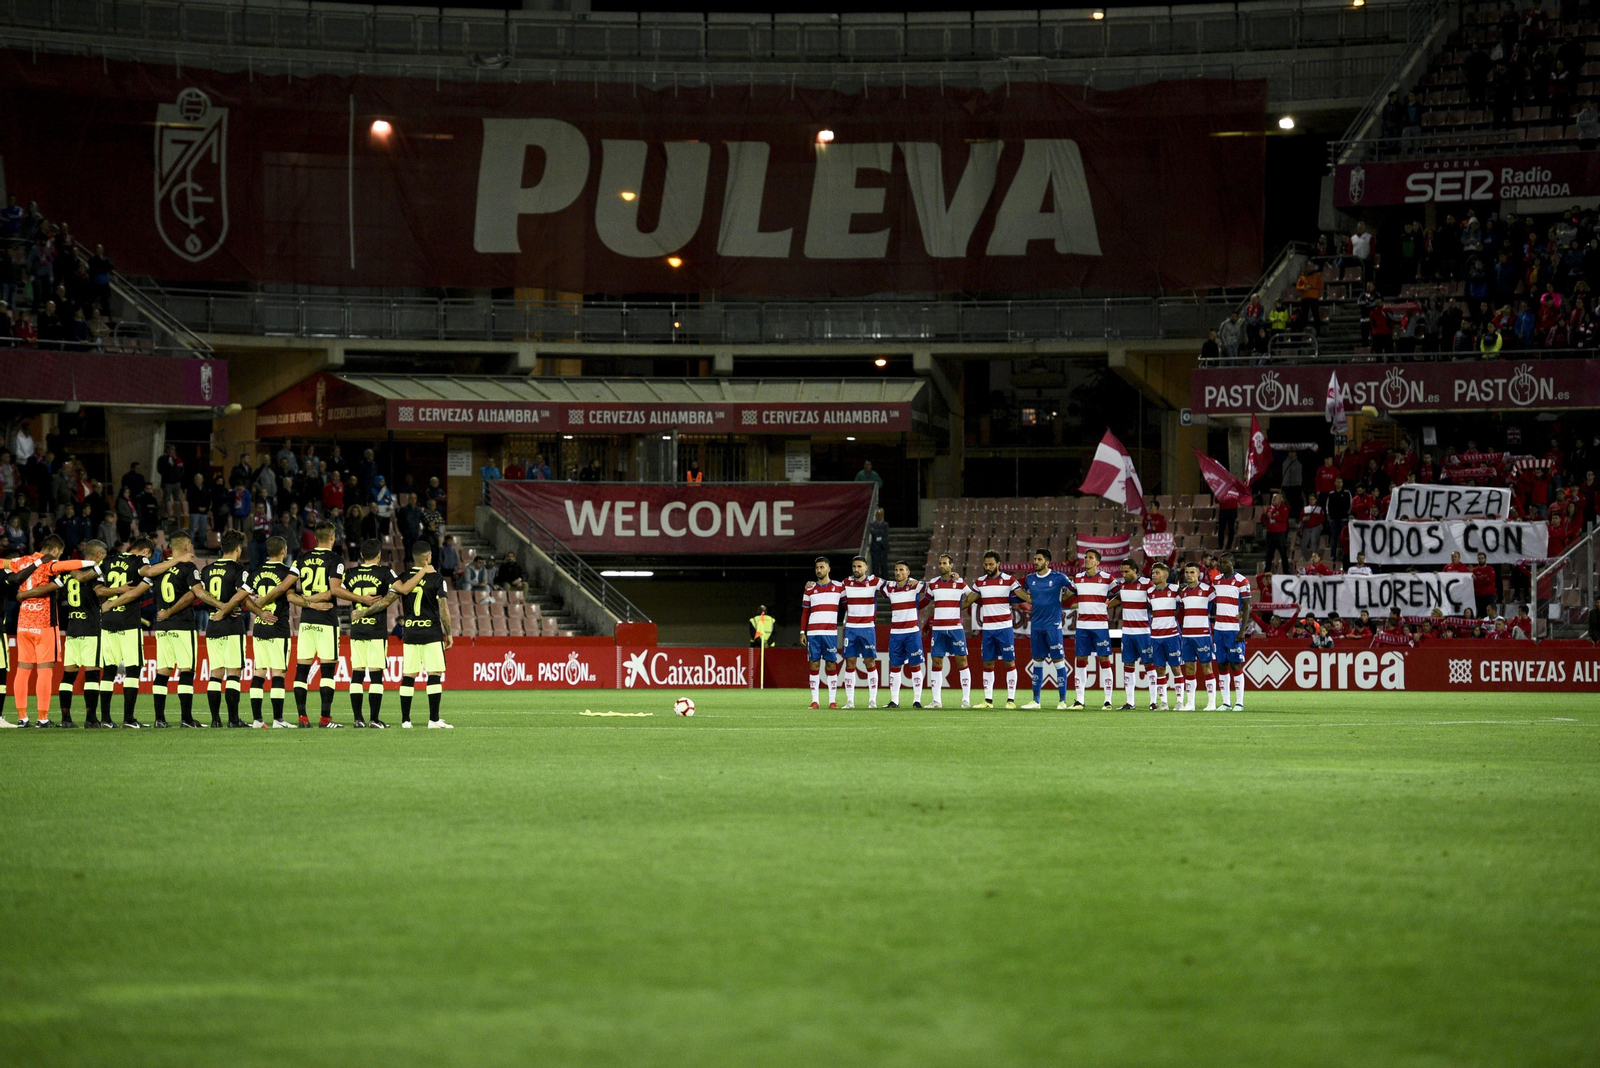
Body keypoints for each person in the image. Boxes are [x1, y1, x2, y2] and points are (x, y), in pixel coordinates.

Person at [355, 544, 448, 728]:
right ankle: (434, 720)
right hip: (431, 632)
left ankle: (406, 720)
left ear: (414, 558)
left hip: (411, 633)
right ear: (428, 558)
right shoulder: (437, 578)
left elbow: (385, 602)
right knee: (434, 674)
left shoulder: (403, 579)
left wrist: (362, 613)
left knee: (408, 676)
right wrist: (450, 633)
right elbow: (443, 608)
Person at [293, 521, 371, 727]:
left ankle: (302, 717)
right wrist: (361, 599)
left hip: (306, 621)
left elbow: (289, 592)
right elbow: (335, 589)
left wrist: (309, 602)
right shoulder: (335, 559)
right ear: (333, 537)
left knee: (301, 670)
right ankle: (325, 718)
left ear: (316, 538)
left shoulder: (301, 559)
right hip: (326, 621)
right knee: (327, 671)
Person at [345, 538, 428, 728]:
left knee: (357, 674)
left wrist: (357, 601)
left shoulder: (350, 573)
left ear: (361, 555)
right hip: (376, 629)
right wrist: (423, 570)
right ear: (379, 555)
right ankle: (374, 719)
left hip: (357, 629)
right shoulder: (384, 571)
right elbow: (405, 589)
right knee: (375, 675)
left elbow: (336, 591)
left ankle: (358, 719)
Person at [196, 530, 270, 728]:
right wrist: (225, 609)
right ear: (238, 548)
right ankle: (233, 720)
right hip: (231, 624)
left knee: (215, 673)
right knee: (233, 673)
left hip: (212, 625)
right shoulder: (239, 570)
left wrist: (217, 609)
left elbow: (201, 594)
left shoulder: (207, 569)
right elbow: (240, 597)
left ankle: (215, 720)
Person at [247, 536, 323, 727]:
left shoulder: (256, 572)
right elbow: (290, 597)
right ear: (283, 551)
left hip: (259, 627)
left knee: (259, 672)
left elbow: (245, 599)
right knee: (278, 673)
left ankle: (257, 719)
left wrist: (259, 612)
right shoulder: (286, 572)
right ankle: (278, 719)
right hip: (278, 628)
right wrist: (311, 603)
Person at [45, 541, 110, 727]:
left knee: (68, 676)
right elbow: (99, 592)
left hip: (72, 629)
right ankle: (90, 718)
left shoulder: (68, 572)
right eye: (103, 556)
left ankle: (66, 719)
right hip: (90, 629)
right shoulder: (95, 573)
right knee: (92, 675)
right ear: (98, 555)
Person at [139, 532, 201, 727]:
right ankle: (186, 719)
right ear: (185, 547)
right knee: (186, 670)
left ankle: (159, 719)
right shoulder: (187, 567)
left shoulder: (159, 569)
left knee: (163, 671)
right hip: (182, 624)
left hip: (162, 627)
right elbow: (193, 595)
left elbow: (145, 574)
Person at [967, 550, 1023, 709]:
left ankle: (1011, 700)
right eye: (985, 564)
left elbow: (1021, 595)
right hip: (988, 629)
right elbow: (969, 599)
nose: (988, 567)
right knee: (988, 663)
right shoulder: (979, 582)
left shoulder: (1009, 580)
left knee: (1009, 662)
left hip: (1004, 628)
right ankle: (988, 700)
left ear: (998, 564)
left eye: (991, 564)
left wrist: (1036, 600)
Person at [1020, 548, 1072, 710]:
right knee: (1037, 662)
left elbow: (1074, 588)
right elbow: (1023, 593)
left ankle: (1062, 701)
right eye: (1035, 559)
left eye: (1039, 559)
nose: (1036, 562)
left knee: (1058, 662)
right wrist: (1030, 599)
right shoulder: (1030, 579)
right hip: (1036, 626)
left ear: (1047, 562)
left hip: (1053, 627)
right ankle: (1036, 700)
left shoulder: (1058, 577)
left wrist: (1062, 599)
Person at [1067, 549, 1116, 711]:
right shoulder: (1078, 579)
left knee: (1104, 660)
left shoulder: (1107, 579)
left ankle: (1108, 701)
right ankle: (1080, 700)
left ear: (1097, 562)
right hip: (1082, 627)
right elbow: (1068, 595)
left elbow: (1120, 594)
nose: (1086, 560)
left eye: (1090, 558)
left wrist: (1109, 604)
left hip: (1100, 626)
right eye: (1085, 558)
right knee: (1081, 660)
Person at [921, 553, 971, 709]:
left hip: (956, 628)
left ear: (951, 566)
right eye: (940, 563)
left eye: (945, 563)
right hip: (938, 629)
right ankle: (936, 701)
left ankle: (966, 699)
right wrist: (909, 606)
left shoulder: (960, 583)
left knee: (962, 661)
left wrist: (960, 606)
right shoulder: (934, 584)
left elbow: (973, 596)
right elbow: (925, 601)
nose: (941, 566)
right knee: (936, 661)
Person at [800, 556, 846, 709]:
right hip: (813, 633)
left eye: (822, 567)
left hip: (830, 633)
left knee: (831, 665)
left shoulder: (839, 587)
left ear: (828, 569)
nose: (819, 570)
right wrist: (802, 632)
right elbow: (805, 612)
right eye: (817, 568)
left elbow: (848, 606)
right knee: (814, 664)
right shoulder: (809, 589)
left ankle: (832, 701)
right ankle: (815, 701)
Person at [838, 556, 883, 709]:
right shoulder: (846, 583)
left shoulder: (874, 581)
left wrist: (913, 582)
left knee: (869, 662)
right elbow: (841, 599)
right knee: (850, 662)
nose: (856, 569)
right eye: (854, 567)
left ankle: (872, 700)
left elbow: (894, 585)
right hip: (850, 628)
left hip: (868, 628)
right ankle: (850, 701)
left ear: (866, 567)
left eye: (859, 566)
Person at [1109, 559, 1153, 711]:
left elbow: (1156, 601)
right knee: (1128, 665)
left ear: (1135, 570)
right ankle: (1130, 702)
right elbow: (1120, 598)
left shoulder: (1147, 584)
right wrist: (1104, 606)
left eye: (1127, 571)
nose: (1124, 574)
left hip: (1143, 632)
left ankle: (1153, 702)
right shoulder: (1122, 585)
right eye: (1122, 571)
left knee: (1149, 665)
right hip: (1127, 632)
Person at [881, 563, 926, 708]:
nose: (898, 572)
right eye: (896, 570)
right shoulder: (890, 587)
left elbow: (933, 586)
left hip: (912, 632)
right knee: (895, 666)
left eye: (901, 570)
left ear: (908, 572)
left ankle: (917, 700)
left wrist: (920, 582)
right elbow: (876, 585)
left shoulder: (915, 585)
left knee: (915, 665)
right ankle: (894, 700)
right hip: (895, 633)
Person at [1211, 553, 1252, 711]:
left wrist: (1243, 629)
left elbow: (1247, 605)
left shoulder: (1242, 581)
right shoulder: (1217, 581)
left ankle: (1239, 702)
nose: (1222, 565)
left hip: (1233, 629)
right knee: (1222, 665)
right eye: (1221, 562)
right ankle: (1226, 702)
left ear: (1233, 563)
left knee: (1235, 664)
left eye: (1226, 562)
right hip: (1219, 629)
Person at [1176, 563, 1217, 711]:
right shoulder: (1182, 593)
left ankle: (1211, 702)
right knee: (1189, 668)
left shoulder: (1208, 590)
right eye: (1186, 572)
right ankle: (1190, 703)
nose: (1189, 575)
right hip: (1187, 635)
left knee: (1207, 667)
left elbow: (1217, 605)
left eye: (1192, 572)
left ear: (1198, 574)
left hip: (1203, 635)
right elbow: (1180, 613)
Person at [1145, 563, 1184, 710]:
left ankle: (1180, 701)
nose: (1153, 575)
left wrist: (1178, 620)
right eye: (1153, 572)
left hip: (1172, 635)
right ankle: (1164, 702)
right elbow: (1150, 610)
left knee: (1176, 668)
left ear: (1166, 575)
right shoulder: (1149, 592)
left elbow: (1183, 606)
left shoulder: (1175, 590)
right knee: (1160, 669)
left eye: (1157, 573)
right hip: (1155, 637)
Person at [1260, 490, 1291, 573]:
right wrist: (1264, 514)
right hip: (1270, 533)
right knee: (1269, 554)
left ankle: (1286, 571)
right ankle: (1267, 572)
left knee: (1283, 553)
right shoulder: (1269, 508)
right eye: (1273, 497)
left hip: (1280, 533)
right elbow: (1262, 520)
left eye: (1275, 497)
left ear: (1280, 499)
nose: (1273, 499)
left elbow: (1283, 519)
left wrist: (1273, 517)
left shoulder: (1283, 508)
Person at [867, 507, 890, 579]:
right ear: (876, 515)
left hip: (883, 547)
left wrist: (877, 532)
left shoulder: (886, 524)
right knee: (875, 565)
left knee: (884, 565)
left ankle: (885, 579)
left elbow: (886, 533)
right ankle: (875, 580)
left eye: (881, 514)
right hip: (875, 547)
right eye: (878, 514)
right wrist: (880, 532)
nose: (880, 516)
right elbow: (872, 532)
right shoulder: (872, 524)